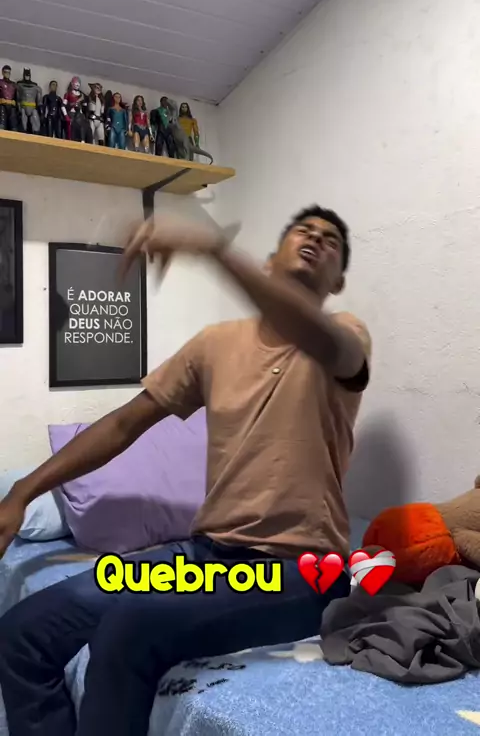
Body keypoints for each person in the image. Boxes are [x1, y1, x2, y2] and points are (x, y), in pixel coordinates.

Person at [0, 205, 371, 736]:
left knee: (130, 626)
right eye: (303, 231)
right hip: (203, 559)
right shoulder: (215, 344)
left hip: (300, 569)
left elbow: (326, 341)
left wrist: (214, 249)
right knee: (23, 633)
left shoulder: (344, 336)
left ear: (337, 282)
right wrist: (23, 490)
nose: (315, 238)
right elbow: (125, 424)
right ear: (271, 261)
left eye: (330, 240)